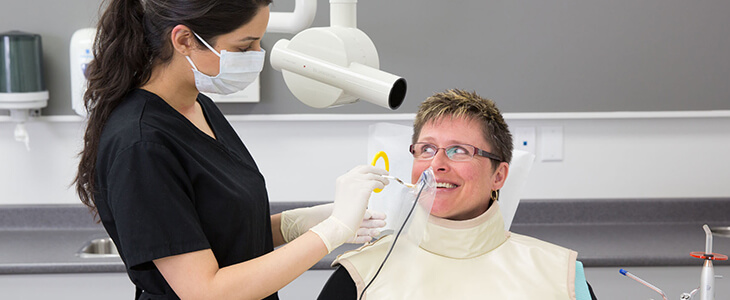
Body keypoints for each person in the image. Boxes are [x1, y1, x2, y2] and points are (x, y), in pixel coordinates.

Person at [73, 0, 390, 299]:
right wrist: (330, 233)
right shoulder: (141, 144)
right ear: (184, 40)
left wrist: (305, 222)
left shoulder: (199, 108)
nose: (257, 55)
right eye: (245, 46)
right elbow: (205, 291)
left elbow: (224, 231)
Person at [318, 89, 598, 300]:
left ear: (498, 176)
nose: (436, 164)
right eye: (426, 149)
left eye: (459, 150)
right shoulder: (359, 275)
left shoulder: (562, 277)